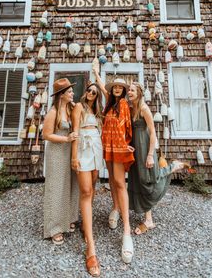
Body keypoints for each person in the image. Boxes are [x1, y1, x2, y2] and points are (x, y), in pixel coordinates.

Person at [127, 82, 191, 235]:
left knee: (149, 180)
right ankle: (148, 219)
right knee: (139, 179)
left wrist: (150, 155)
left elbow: (153, 133)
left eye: (132, 90)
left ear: (140, 93)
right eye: (128, 90)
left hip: (145, 148)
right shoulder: (131, 108)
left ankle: (172, 167)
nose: (129, 92)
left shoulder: (144, 109)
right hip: (135, 148)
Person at [94, 69, 135, 264]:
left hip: (119, 147)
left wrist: (128, 142)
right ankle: (115, 208)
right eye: (115, 87)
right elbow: (103, 89)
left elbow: (128, 125)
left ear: (124, 90)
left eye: (120, 87)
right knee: (111, 180)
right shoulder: (110, 104)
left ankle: (127, 231)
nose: (117, 89)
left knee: (120, 182)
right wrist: (95, 72)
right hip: (107, 145)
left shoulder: (125, 104)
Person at [71, 83, 103, 277]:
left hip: (96, 146)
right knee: (86, 191)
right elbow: (74, 131)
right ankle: (90, 246)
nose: (91, 93)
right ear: (85, 92)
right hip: (83, 146)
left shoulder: (97, 111)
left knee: (92, 187)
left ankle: (85, 224)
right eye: (90, 90)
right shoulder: (79, 107)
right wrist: (74, 156)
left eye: (95, 92)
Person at [43, 78, 79, 245]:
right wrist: (66, 139)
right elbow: (46, 135)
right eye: (69, 91)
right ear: (61, 95)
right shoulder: (53, 112)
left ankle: (69, 218)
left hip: (69, 152)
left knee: (70, 185)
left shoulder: (70, 109)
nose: (72, 93)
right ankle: (54, 228)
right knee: (57, 188)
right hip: (57, 153)